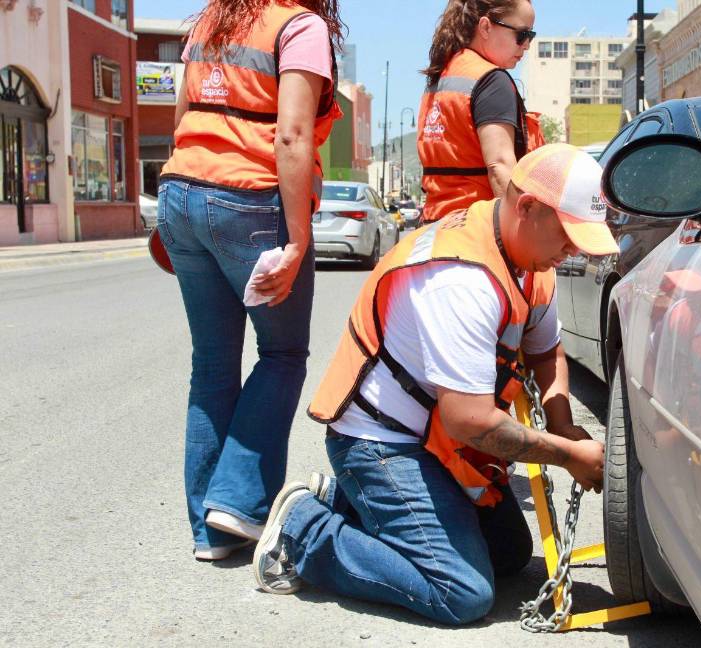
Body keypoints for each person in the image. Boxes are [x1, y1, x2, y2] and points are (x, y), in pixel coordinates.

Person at [251, 144, 618, 625]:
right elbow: (468, 420)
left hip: (440, 442)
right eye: (568, 235)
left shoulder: (529, 259)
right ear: (526, 207)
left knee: (508, 553)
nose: (572, 250)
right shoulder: (461, 279)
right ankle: (307, 532)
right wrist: (567, 455)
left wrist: (565, 426)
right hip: (383, 444)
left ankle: (346, 501)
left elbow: (546, 351)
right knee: (461, 591)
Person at [156, 0, 344, 561]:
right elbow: (291, 135)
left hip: (179, 190)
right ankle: (237, 503)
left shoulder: (212, 19)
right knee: (283, 353)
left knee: (212, 363)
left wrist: (183, 205)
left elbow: (181, 119)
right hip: (250, 199)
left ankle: (208, 532)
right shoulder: (300, 26)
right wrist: (298, 238)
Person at [417, 0, 545, 223]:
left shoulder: (443, 76)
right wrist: (525, 227)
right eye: (522, 35)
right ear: (485, 27)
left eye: (530, 36)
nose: (526, 45)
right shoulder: (492, 81)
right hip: (475, 229)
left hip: (434, 225)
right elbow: (500, 166)